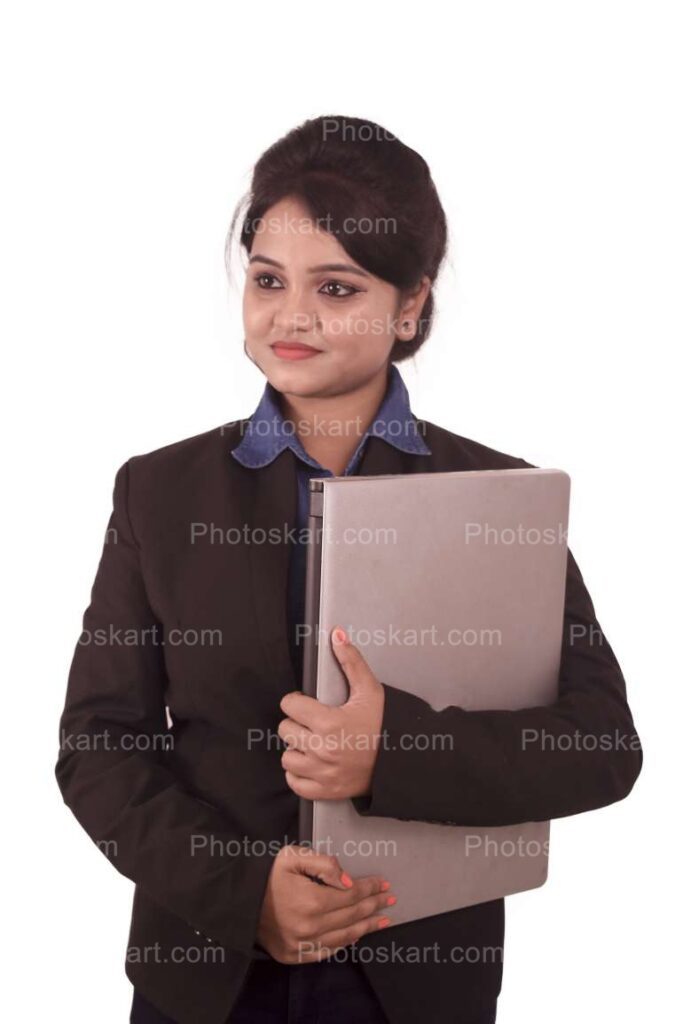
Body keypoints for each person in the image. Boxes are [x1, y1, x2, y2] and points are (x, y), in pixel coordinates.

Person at [55, 115, 643, 1024]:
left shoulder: (498, 498)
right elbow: (98, 745)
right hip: (207, 977)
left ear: (409, 306)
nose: (290, 317)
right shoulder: (158, 493)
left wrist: (390, 751)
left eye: (335, 287)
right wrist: (244, 892)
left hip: (414, 985)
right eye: (266, 281)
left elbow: (602, 745)